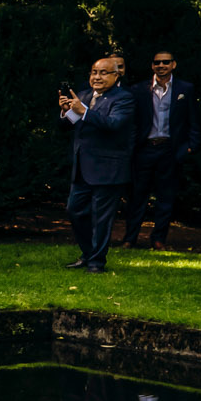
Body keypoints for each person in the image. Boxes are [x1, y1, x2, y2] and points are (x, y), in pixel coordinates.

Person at [58, 56, 135, 272]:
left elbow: (114, 124)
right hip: (82, 167)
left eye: (103, 73)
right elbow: (67, 126)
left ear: (116, 75)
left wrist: (84, 112)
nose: (97, 77)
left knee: (101, 218)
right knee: (74, 210)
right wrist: (66, 111)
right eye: (94, 72)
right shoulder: (82, 95)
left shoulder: (124, 98)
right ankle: (87, 253)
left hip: (109, 168)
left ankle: (96, 262)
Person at [123, 51, 201, 250]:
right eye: (157, 62)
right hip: (145, 149)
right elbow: (132, 122)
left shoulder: (185, 89)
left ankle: (158, 239)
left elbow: (193, 119)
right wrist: (131, 148)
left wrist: (190, 146)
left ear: (173, 64)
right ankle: (129, 239)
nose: (161, 65)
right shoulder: (139, 89)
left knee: (166, 197)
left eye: (166, 62)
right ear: (152, 66)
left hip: (170, 149)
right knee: (137, 196)